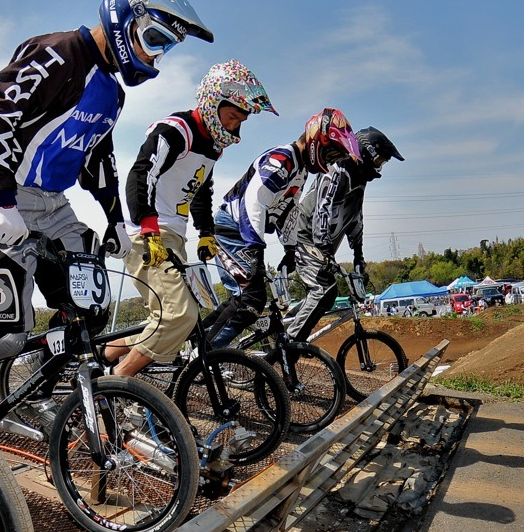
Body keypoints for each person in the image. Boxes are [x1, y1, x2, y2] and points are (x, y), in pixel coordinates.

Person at [0, 0, 214, 391]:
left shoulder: (114, 95)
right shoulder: (57, 52)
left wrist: (115, 221)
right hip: (2, 196)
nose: (157, 56)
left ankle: (40, 389)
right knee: (2, 337)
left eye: (166, 48)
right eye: (155, 39)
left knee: (90, 308)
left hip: (55, 206)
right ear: (125, 20)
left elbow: (98, 160)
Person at [101, 61, 276, 378]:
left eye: (241, 121)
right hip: (145, 234)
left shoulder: (212, 147)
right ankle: (112, 384)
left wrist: (206, 232)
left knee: (170, 320)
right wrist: (150, 229)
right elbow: (140, 176)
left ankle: (96, 361)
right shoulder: (176, 131)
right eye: (232, 116)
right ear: (213, 101)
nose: (236, 127)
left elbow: (200, 188)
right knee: (180, 316)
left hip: (172, 237)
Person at [203, 108, 361, 349]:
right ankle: (202, 356)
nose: (330, 160)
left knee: (242, 298)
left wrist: (289, 249)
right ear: (316, 140)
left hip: (239, 232)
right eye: (331, 152)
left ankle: (196, 341)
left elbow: (289, 210)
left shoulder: (299, 169)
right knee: (251, 301)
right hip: (232, 229)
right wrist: (256, 249)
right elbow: (253, 202)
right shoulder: (282, 160)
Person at [281, 126, 404, 343]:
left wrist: (359, 257)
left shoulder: (359, 178)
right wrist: (325, 248)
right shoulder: (338, 169)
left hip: (320, 244)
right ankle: (288, 345)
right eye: (379, 161)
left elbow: (356, 217)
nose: (380, 167)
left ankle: (286, 327)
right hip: (304, 237)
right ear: (367, 152)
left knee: (326, 294)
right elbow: (323, 209)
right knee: (324, 289)